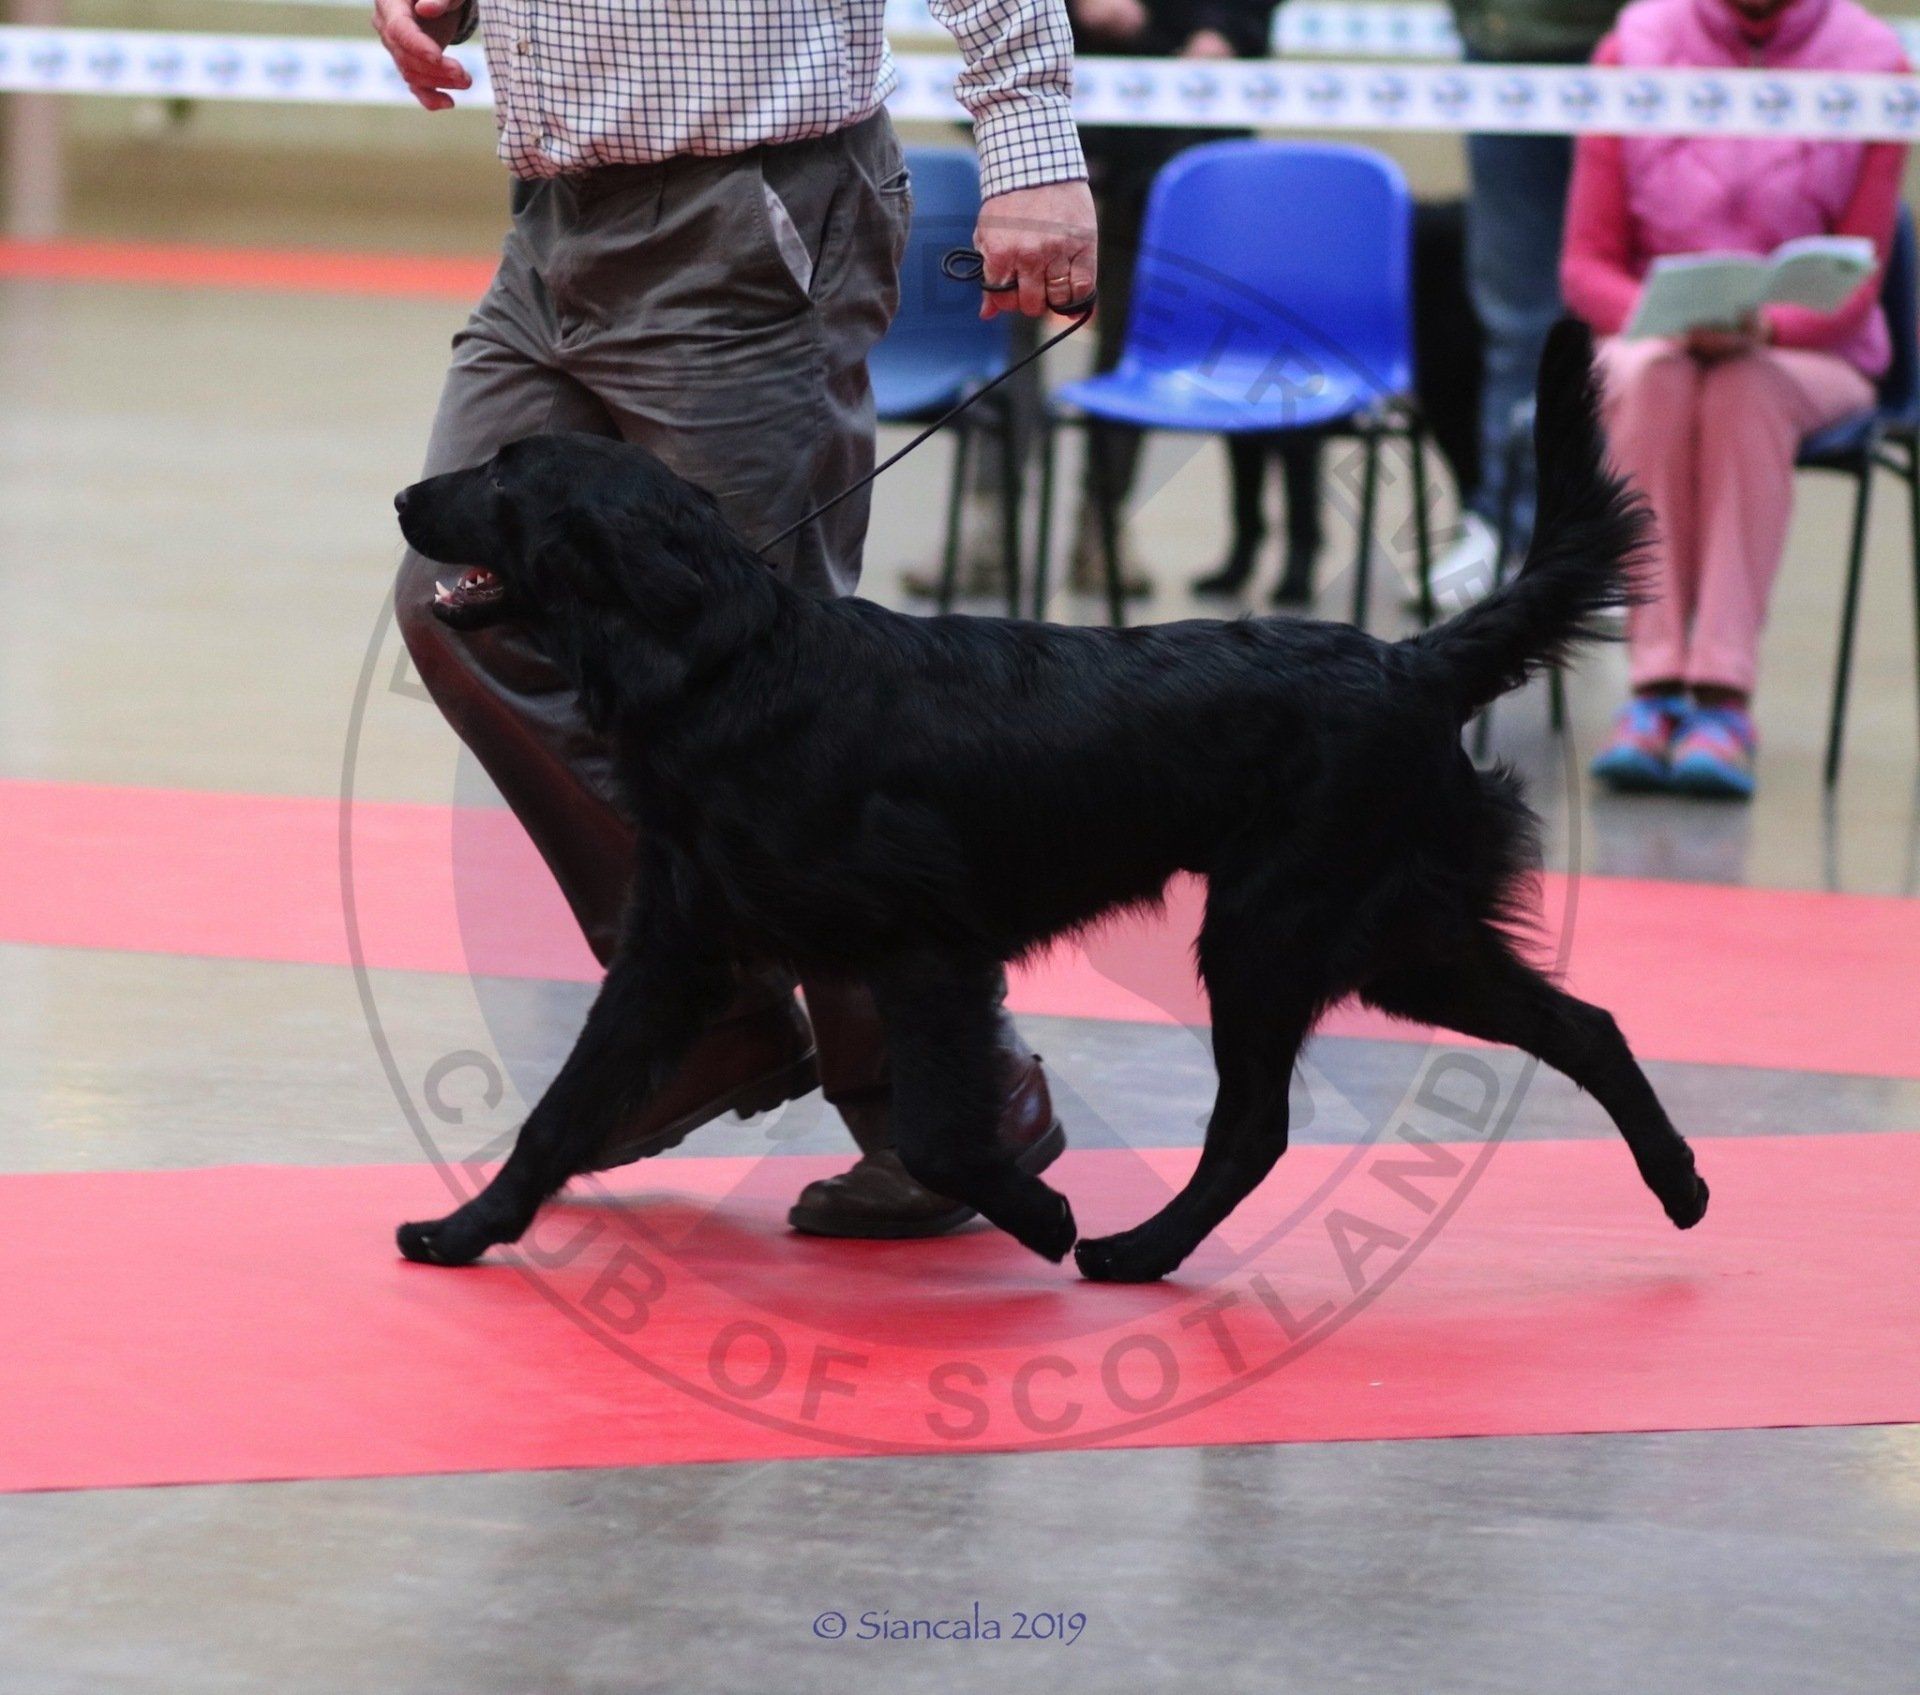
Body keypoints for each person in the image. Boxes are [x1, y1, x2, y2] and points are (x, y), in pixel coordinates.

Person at [373, 0, 1098, 1235]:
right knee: (460, 606)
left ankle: (950, 1103)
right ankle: (705, 1008)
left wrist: (1030, 143)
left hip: (748, 213)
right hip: (556, 212)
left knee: (786, 700)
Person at [1564, 0, 1907, 798]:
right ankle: (1653, 687)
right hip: (1652, 335)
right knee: (1653, 380)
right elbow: (1585, 265)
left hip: (1809, 351)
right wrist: (1661, 319)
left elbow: (1857, 284)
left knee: (1743, 391)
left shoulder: (1878, 63)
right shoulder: (1631, 49)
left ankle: (1722, 697)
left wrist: (1769, 326)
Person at [1064, 0, 1281, 598]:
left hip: (1181, 130)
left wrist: (1223, 27)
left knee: (1130, 345)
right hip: (1057, 95)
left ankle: (1101, 525)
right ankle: (987, 527)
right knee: (1004, 327)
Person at [1430, 0, 1624, 609]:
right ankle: (1503, 521)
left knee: (1628, 315)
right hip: (1502, 48)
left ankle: (1606, 535)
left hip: (1632, 52)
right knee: (1516, 319)